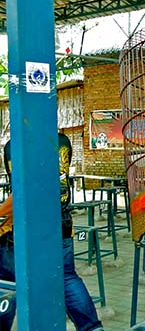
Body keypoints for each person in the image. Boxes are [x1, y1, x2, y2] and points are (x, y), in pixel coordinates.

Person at [0, 132, 104, 331]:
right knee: (66, 277)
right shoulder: (62, 141)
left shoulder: (15, 146)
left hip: (25, 227)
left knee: (6, 280)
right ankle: (92, 328)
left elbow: (22, 193)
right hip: (60, 221)